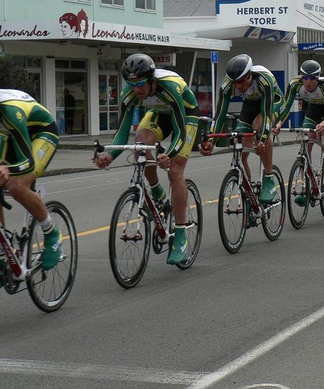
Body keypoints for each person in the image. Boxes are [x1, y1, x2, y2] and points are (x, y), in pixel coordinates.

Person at [94, 53, 199, 265]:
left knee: (175, 171)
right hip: (159, 113)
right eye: (131, 84)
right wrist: (109, 156)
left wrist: (168, 155)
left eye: (140, 84)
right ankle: (158, 193)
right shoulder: (130, 93)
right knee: (140, 142)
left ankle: (180, 236)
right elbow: (123, 132)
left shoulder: (168, 86)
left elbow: (179, 130)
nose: (136, 89)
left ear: (151, 80)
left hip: (185, 116)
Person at [199, 54, 284, 204]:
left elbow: (266, 115)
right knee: (239, 139)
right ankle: (248, 192)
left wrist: (262, 139)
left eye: (241, 81)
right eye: (234, 82)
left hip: (272, 102)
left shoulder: (264, 80)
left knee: (258, 127)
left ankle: (269, 178)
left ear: (249, 75)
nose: (238, 86)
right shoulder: (227, 85)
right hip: (250, 103)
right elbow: (220, 114)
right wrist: (211, 139)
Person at [0, 89, 63, 271]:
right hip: (9, 136)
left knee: (17, 186)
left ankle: (52, 233)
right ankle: (2, 250)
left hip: (41, 133)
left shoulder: (11, 111)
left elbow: (27, 163)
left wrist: (7, 170)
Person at [273, 60, 324, 200]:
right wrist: (279, 124)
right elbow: (286, 107)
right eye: (304, 78)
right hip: (314, 108)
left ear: (317, 78)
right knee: (307, 137)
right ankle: (307, 179)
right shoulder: (295, 84)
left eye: (311, 79)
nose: (307, 82)